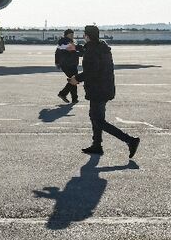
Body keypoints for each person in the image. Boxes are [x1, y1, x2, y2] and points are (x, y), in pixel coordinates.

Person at [68, 25, 139, 157]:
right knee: (95, 117)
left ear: (87, 36)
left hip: (98, 89)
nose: (83, 37)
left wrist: (76, 79)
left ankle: (130, 140)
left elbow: (91, 71)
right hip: (105, 88)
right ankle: (96, 145)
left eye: (84, 35)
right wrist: (76, 48)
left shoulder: (93, 51)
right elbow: (88, 51)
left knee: (98, 120)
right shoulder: (101, 47)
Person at [55, 29, 81, 103]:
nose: (72, 35)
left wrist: (57, 62)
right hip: (68, 64)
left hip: (71, 64)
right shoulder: (65, 42)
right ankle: (63, 94)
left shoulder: (69, 42)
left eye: (73, 34)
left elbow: (57, 53)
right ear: (66, 35)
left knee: (73, 80)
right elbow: (74, 51)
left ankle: (74, 98)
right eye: (71, 34)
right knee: (74, 79)